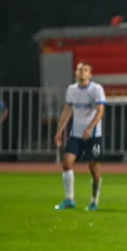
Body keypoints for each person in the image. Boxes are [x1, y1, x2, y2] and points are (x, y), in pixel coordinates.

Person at [53, 62, 106, 211]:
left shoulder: (96, 89)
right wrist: (59, 131)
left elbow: (100, 111)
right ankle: (69, 199)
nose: (82, 72)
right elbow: (67, 111)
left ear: (90, 74)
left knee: (93, 167)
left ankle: (94, 201)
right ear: (76, 73)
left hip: (93, 135)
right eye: (80, 69)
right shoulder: (72, 90)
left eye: (85, 70)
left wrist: (90, 128)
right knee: (66, 162)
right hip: (76, 134)